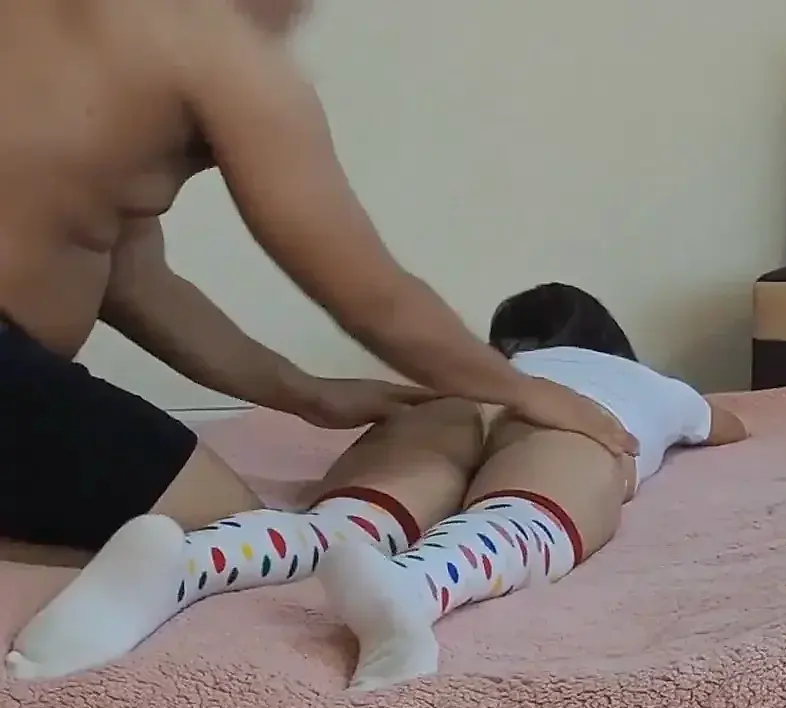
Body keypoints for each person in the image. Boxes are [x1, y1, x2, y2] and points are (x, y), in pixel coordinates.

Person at [0, 0, 635, 569]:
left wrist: (305, 393)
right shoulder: (219, 51)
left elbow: (137, 283)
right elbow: (373, 297)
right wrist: (522, 391)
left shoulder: (75, 37)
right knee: (228, 538)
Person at [7, 284, 748, 688]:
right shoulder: (642, 382)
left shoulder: (479, 373)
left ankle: (188, 562)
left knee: (348, 522)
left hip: (447, 403)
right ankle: (416, 587)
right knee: (526, 513)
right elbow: (726, 423)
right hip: (577, 419)